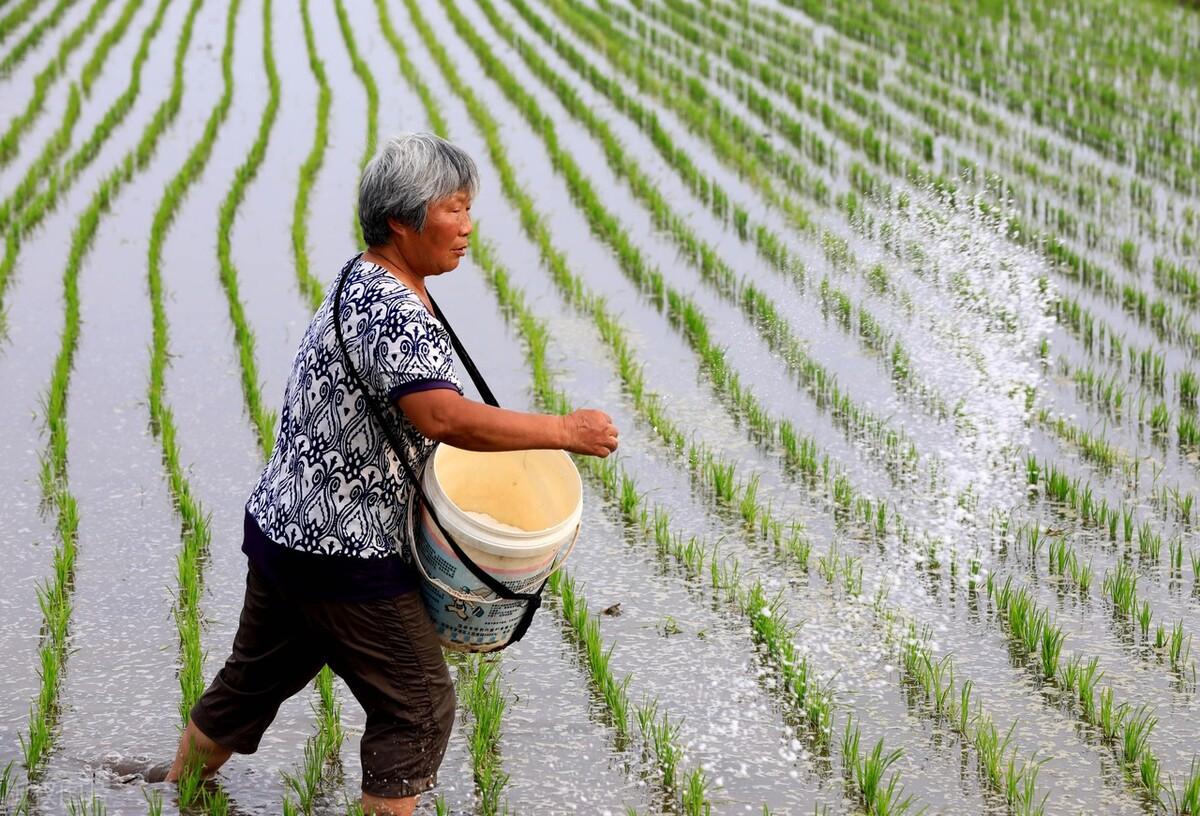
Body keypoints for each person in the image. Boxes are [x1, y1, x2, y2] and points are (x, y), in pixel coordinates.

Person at [163, 133, 619, 815]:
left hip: (288, 531)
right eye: (454, 210)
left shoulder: (363, 278)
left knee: (250, 684)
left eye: (470, 210)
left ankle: (174, 795)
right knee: (419, 707)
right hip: (345, 552)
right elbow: (443, 417)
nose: (467, 227)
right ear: (403, 221)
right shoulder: (395, 308)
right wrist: (563, 432)